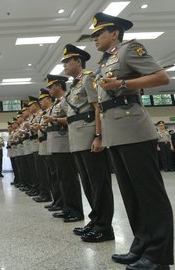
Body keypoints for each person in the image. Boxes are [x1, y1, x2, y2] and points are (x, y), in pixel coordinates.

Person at [91, 12, 174, 269]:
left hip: (134, 129)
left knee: (150, 194)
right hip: (116, 132)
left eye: (98, 33)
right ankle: (141, 246)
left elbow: (162, 77)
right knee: (131, 195)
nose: (95, 39)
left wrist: (123, 82)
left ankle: (158, 255)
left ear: (114, 33)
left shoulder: (129, 50)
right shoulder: (105, 61)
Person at [62, 44, 115, 242]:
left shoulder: (88, 78)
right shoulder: (74, 85)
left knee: (99, 184)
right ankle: (95, 220)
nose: (65, 65)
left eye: (68, 61)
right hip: (77, 140)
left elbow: (97, 108)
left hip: (90, 138)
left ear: (78, 61)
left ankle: (105, 227)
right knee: (88, 184)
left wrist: (99, 135)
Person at [43, 74, 84, 223]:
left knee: (69, 179)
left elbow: (72, 118)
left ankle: (75, 211)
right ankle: (67, 208)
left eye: (51, 87)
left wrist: (54, 119)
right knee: (62, 179)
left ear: (59, 86)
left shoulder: (66, 100)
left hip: (65, 144)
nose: (49, 90)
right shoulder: (56, 103)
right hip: (56, 144)